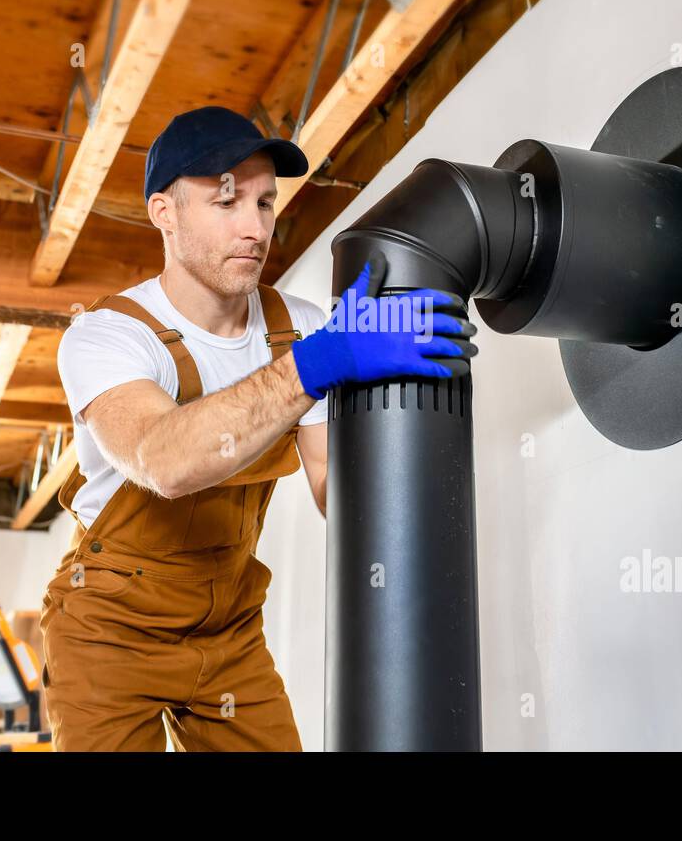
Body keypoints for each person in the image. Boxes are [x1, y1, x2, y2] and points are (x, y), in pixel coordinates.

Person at [39, 105, 477, 751]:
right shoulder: (109, 335)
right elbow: (165, 460)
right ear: (165, 212)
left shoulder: (295, 326)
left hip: (229, 633)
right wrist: (319, 362)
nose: (255, 228)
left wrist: (418, 504)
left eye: (265, 204)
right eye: (226, 203)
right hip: (109, 633)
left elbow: (331, 479)